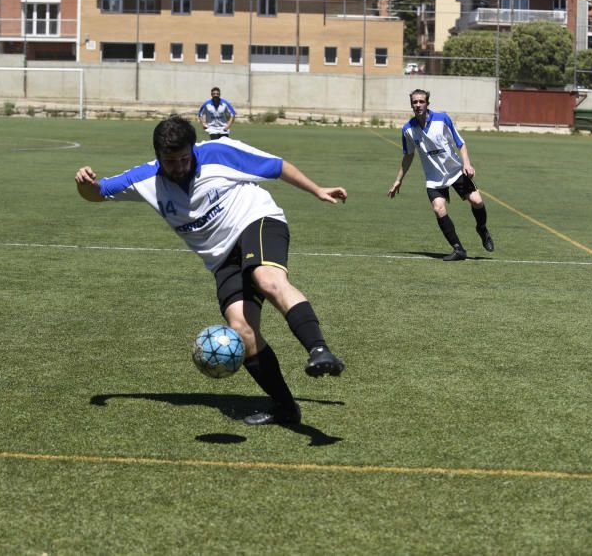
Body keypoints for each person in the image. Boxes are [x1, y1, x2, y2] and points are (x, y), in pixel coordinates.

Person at [75, 115, 347, 426]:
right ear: (157, 157)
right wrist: (86, 185)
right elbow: (98, 193)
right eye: (170, 161)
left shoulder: (219, 153)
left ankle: (320, 350)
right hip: (221, 259)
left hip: (255, 221)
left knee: (268, 279)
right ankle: (286, 408)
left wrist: (317, 190)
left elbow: (276, 166)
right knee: (242, 331)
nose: (178, 167)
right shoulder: (146, 179)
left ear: (193, 150)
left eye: (184, 159)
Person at [388, 89, 494, 261]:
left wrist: (467, 164)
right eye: (414, 102)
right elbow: (408, 155)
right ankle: (458, 249)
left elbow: (460, 143)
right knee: (438, 208)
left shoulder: (442, 119)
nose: (418, 105)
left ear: (428, 103)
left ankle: (482, 228)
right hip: (434, 179)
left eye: (421, 101)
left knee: (477, 201)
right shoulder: (408, 129)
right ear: (411, 105)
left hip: (455, 171)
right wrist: (398, 180)